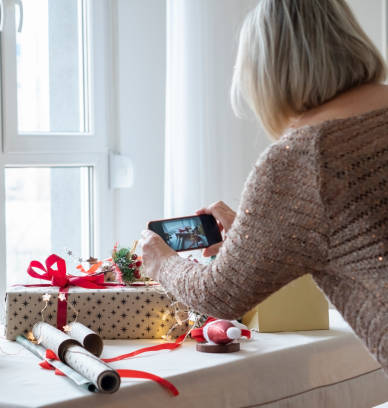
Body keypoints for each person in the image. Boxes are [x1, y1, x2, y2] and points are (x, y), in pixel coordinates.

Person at [140, 0, 388, 373]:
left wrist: (162, 262)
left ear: (266, 72)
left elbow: (218, 294)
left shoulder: (304, 158)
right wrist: (255, 234)